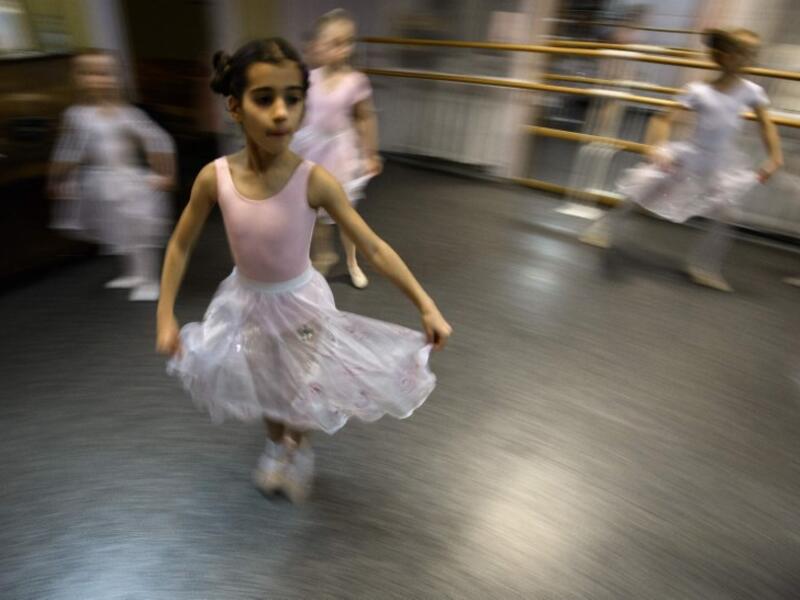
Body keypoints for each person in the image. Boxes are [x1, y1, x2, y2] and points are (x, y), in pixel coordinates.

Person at [155, 38, 451, 503]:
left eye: (293, 99)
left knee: (297, 387)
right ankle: (277, 445)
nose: (280, 113)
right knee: (266, 385)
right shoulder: (216, 177)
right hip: (246, 302)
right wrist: (164, 315)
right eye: (264, 98)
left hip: (301, 306)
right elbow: (179, 245)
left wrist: (427, 306)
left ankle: (302, 445)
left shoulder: (313, 180)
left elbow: (373, 247)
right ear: (234, 106)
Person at [580, 28, 783, 292]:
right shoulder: (699, 91)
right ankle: (604, 227)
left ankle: (704, 267)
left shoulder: (752, 92)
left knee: (727, 214)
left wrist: (775, 157)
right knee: (645, 187)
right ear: (725, 56)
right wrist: (657, 148)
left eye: (753, 54)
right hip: (691, 156)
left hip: (721, 163)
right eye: (744, 53)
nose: (750, 59)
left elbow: (767, 127)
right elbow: (662, 119)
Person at [48, 49, 175, 301]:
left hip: (128, 182)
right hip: (97, 182)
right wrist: (59, 177)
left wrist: (165, 172)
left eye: (104, 73)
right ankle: (133, 273)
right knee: (117, 229)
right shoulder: (75, 115)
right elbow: (68, 149)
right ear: (77, 77)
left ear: (116, 77)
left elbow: (158, 140)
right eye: (88, 73)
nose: (96, 79)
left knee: (138, 232)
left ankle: (149, 279)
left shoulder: (127, 113)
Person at [291, 9, 381, 288]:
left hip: (341, 153)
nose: (343, 49)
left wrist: (370, 152)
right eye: (334, 43)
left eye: (347, 42)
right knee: (317, 213)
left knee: (345, 215)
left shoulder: (356, 81)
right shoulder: (309, 77)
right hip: (312, 149)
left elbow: (365, 117)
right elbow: (299, 111)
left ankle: (352, 261)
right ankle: (322, 258)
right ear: (319, 45)